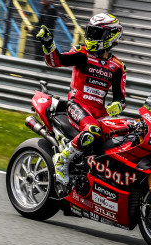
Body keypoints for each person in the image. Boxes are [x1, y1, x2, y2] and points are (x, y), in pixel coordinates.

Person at [36, 13, 126, 185]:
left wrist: (117, 106)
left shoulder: (118, 67)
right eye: (90, 32)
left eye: (96, 33)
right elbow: (56, 61)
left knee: (121, 139)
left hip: (100, 113)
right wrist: (48, 43)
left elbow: (120, 98)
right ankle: (62, 160)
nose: (91, 36)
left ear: (110, 36)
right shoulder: (82, 53)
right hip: (76, 105)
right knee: (92, 130)